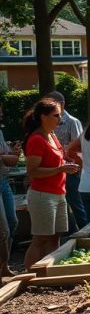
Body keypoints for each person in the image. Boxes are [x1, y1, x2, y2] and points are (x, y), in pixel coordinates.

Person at [22, 99, 79, 270]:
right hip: (42, 195)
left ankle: (49, 271)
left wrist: (68, 161)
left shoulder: (52, 136)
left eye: (60, 115)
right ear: (43, 117)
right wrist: (60, 168)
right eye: (56, 115)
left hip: (59, 193)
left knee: (56, 236)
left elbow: (58, 158)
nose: (60, 119)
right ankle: (29, 274)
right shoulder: (37, 139)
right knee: (40, 238)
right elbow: (33, 171)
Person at [45, 91, 86, 231]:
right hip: (55, 170)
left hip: (70, 170)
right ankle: (70, 233)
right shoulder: (46, 125)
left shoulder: (72, 122)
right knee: (62, 205)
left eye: (53, 104)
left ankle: (85, 231)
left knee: (76, 202)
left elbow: (79, 147)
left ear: (62, 104)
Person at [0, 103, 20, 277]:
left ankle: (4, 266)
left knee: (13, 222)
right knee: (3, 230)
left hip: (3, 180)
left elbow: (10, 159)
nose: (1, 113)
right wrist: (6, 157)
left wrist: (13, 152)